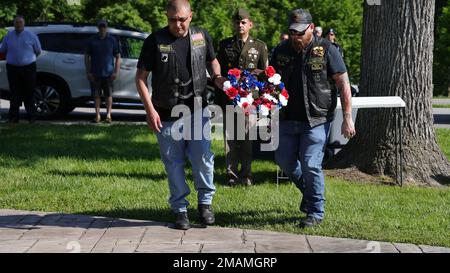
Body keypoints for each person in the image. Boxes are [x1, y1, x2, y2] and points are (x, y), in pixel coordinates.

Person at [135, 0, 222, 230]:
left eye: (182, 19)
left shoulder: (201, 36)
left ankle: (205, 204)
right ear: (167, 17)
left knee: (203, 158)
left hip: (197, 110)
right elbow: (140, 78)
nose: (178, 24)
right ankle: (180, 209)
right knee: (173, 164)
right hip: (166, 114)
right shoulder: (155, 40)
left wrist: (218, 77)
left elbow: (213, 61)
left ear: (190, 16)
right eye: (172, 19)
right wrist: (150, 110)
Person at [271, 9, 355, 228]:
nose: (296, 37)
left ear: (311, 27)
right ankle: (310, 195)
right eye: (292, 32)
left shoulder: (327, 49)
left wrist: (347, 117)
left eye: (300, 32)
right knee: (284, 161)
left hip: (317, 118)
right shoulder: (281, 50)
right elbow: (271, 80)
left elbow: (343, 83)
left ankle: (316, 211)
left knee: (310, 163)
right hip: (287, 117)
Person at [217, 8, 269, 187]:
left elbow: (266, 73)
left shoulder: (259, 46)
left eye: (243, 22)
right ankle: (231, 175)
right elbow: (219, 73)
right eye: (237, 22)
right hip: (230, 98)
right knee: (230, 139)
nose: (240, 25)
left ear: (250, 24)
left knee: (247, 138)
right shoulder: (225, 45)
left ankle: (246, 175)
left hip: (250, 100)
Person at [0, 15, 41, 123]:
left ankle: (32, 118)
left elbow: (38, 51)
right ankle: (13, 118)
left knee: (29, 92)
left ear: (24, 23)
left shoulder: (31, 36)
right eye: (16, 22)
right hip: (12, 68)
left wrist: (28, 60)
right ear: (14, 24)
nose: (18, 24)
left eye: (20, 22)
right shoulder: (8, 36)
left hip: (28, 68)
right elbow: (3, 49)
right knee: (14, 93)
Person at [85, 19, 121, 123]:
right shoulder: (92, 40)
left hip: (109, 73)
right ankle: (97, 115)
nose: (102, 28)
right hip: (95, 72)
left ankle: (108, 115)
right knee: (96, 95)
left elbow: (118, 57)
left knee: (108, 95)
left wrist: (115, 72)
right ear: (98, 27)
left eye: (104, 26)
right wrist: (88, 71)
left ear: (107, 27)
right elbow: (87, 56)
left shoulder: (112, 40)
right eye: (101, 26)